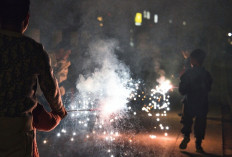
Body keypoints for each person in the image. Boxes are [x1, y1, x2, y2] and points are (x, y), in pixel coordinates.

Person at [0, 0, 67, 157]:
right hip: (17, 134)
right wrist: (60, 111)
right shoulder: (33, 49)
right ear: (26, 19)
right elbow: (50, 88)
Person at [178, 49, 212, 153]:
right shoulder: (206, 74)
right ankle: (198, 144)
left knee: (187, 120)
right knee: (200, 123)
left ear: (194, 60)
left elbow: (182, 90)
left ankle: (186, 136)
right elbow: (209, 88)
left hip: (190, 102)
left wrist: (182, 80)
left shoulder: (188, 73)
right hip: (202, 102)